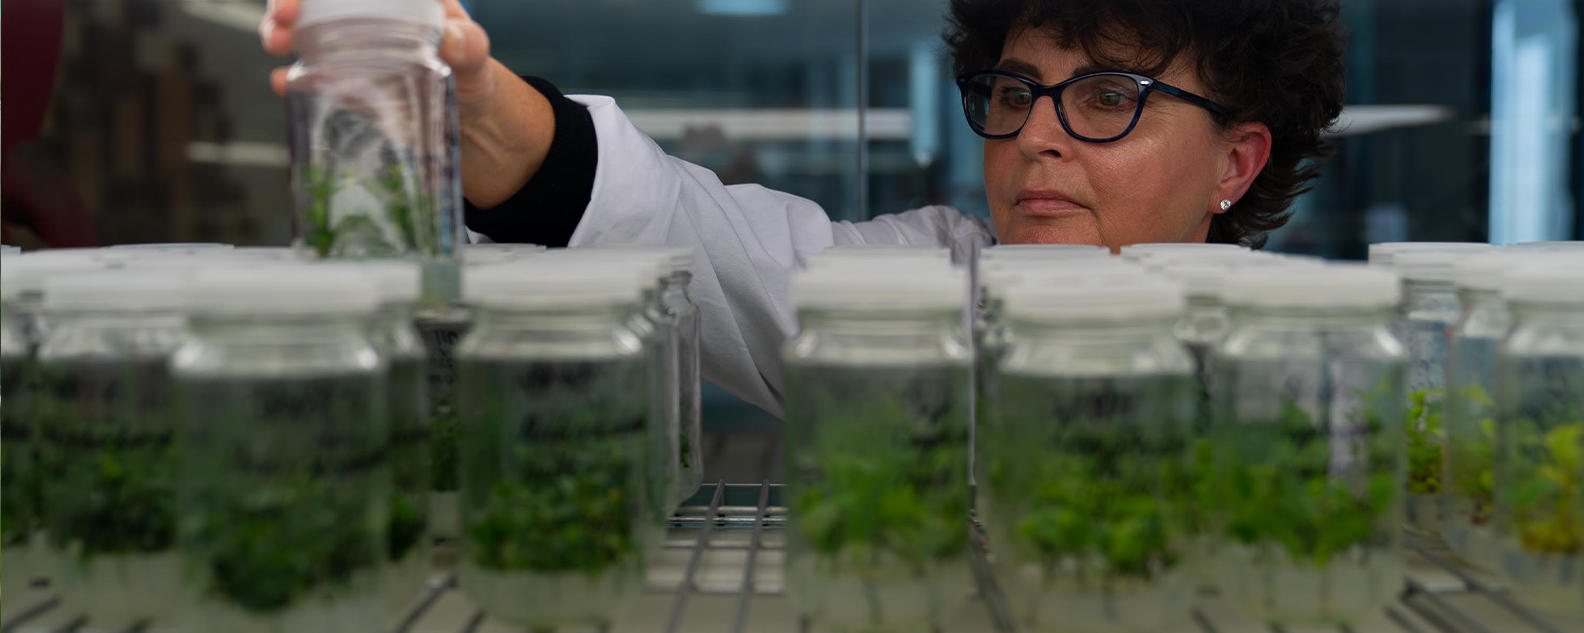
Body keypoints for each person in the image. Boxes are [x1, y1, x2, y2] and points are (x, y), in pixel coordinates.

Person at [260, 0, 1347, 415]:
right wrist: (484, 107)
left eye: (1111, 97)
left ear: (1236, 162)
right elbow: (685, 233)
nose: (1038, 135)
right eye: (1016, 93)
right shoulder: (933, 289)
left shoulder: (1331, 366)